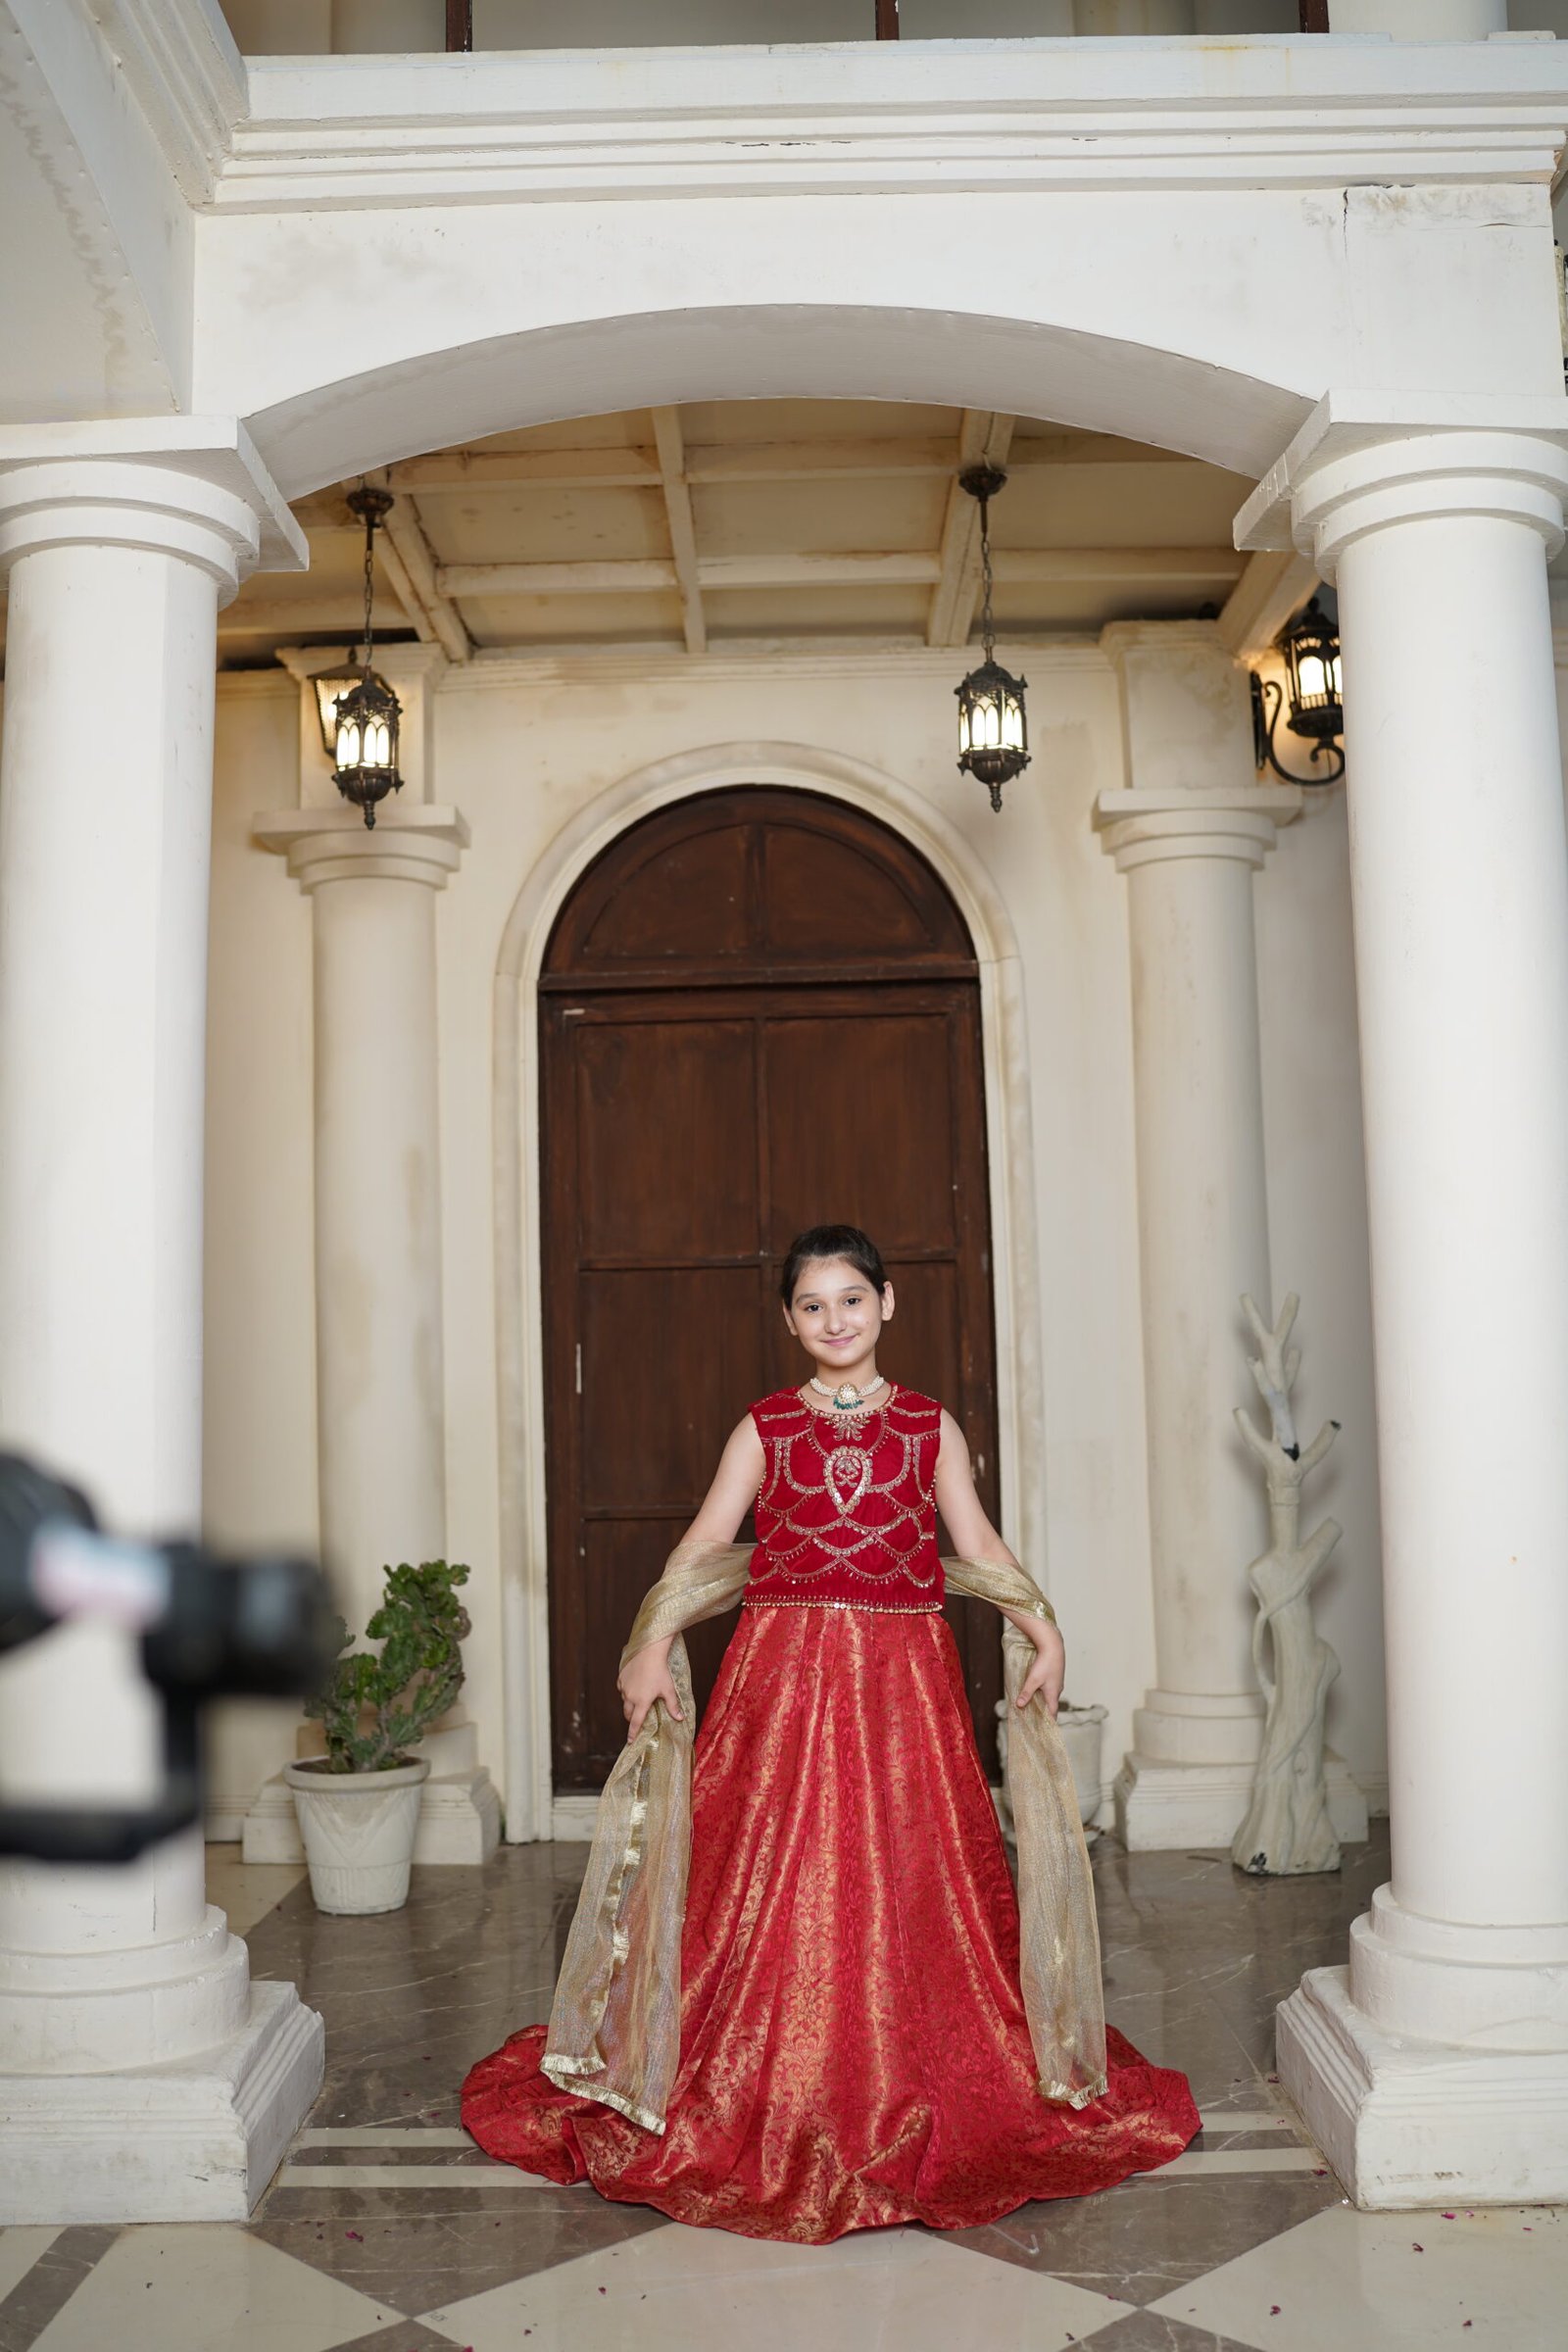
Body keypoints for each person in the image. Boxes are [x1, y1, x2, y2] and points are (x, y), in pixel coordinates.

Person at [462, 1224, 1198, 2241]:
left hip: (904, 1686)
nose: (834, 1320)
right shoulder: (762, 1426)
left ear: (887, 1304)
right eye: (812, 1305)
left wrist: (1042, 1629)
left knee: (910, 1870)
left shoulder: (929, 1427)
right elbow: (706, 1542)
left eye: (851, 1299)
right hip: (783, 1682)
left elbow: (972, 1540)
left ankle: (913, 2066)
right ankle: (763, 2071)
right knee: (775, 1870)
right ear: (789, 1320)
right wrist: (647, 1644)